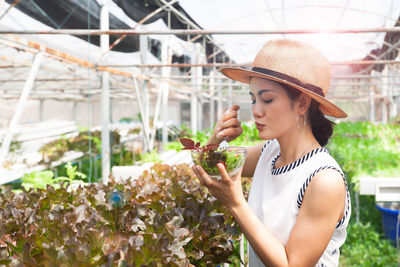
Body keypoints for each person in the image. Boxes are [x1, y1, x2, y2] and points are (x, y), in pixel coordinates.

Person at [192, 39, 351, 267]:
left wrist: (236, 203)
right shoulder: (269, 153)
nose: (256, 111)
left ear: (303, 103)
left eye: (267, 99)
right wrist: (217, 139)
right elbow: (208, 166)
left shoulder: (323, 179)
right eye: (253, 99)